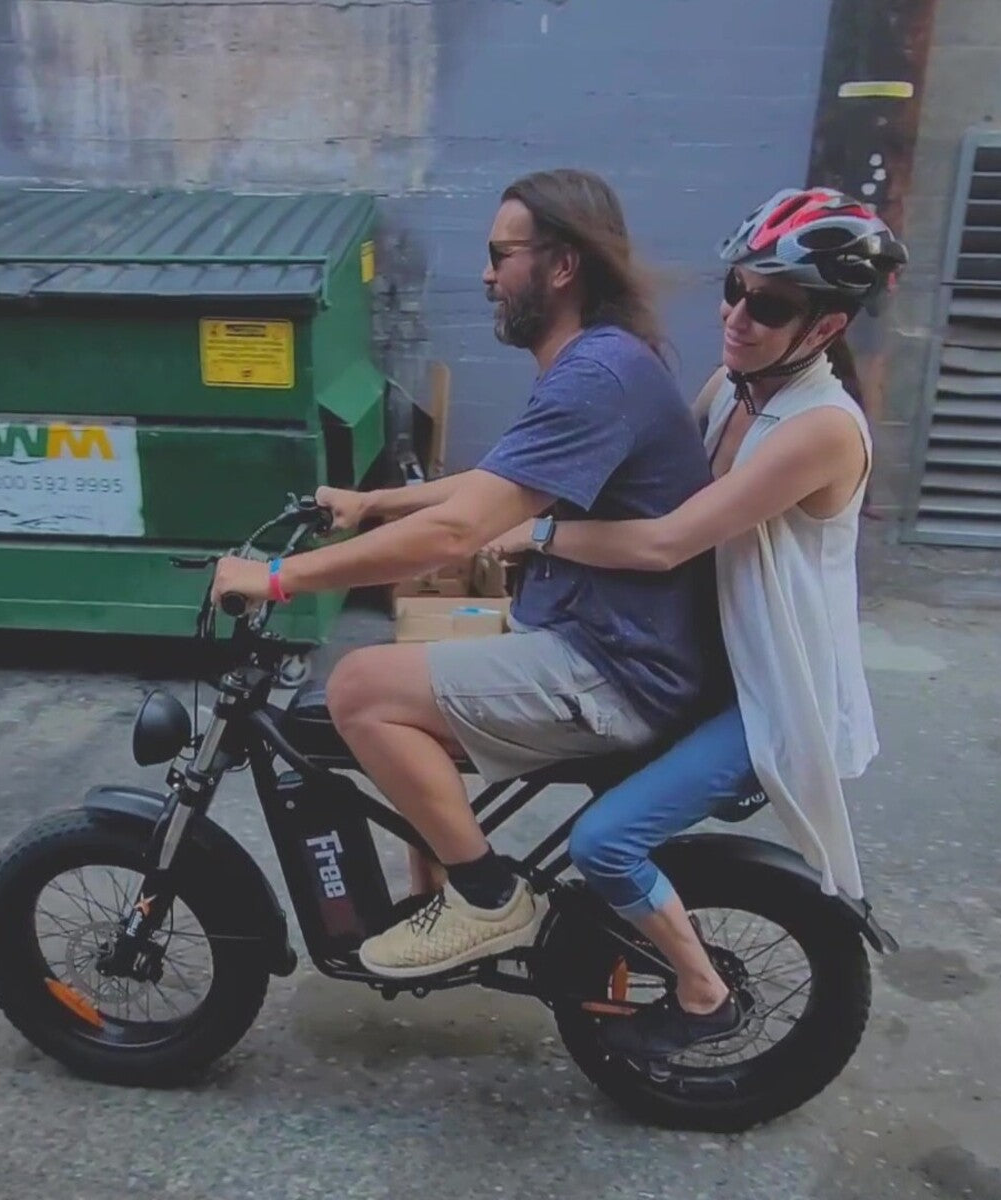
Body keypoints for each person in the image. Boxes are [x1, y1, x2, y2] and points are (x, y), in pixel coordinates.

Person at [211, 168, 729, 979]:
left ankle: (488, 897)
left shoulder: (596, 375)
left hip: (615, 673)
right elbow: (495, 482)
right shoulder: (599, 361)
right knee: (396, 709)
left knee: (358, 688)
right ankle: (444, 888)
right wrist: (370, 502)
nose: (487, 276)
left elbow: (459, 529)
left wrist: (278, 577)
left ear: (561, 266)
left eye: (501, 254)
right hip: (600, 646)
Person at [487, 186, 908, 1060]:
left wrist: (532, 532)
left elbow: (666, 541)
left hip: (772, 698)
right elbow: (642, 482)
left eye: (773, 304)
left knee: (606, 842)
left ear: (826, 327)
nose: (740, 316)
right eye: (735, 288)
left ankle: (705, 991)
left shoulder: (822, 428)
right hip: (712, 666)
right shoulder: (734, 388)